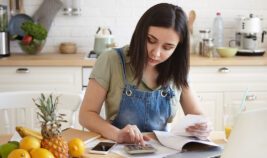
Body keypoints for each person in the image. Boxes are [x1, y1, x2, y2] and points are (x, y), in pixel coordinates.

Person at [79, 3, 212, 146]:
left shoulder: (177, 69)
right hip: (118, 148)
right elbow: (86, 115)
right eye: (151, 40)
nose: (156, 53)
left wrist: (203, 125)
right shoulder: (111, 60)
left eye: (167, 47)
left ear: (177, 48)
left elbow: (196, 113)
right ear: (141, 33)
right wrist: (116, 134)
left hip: (162, 151)